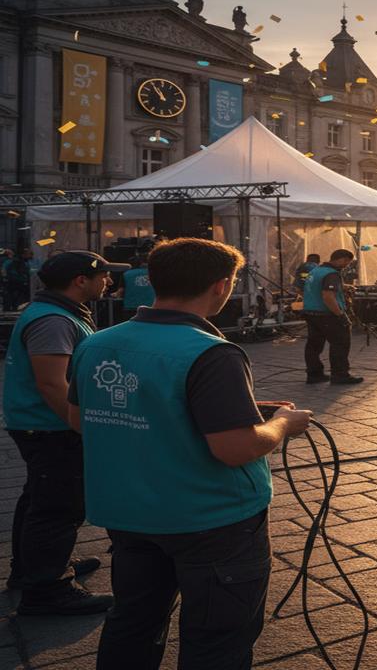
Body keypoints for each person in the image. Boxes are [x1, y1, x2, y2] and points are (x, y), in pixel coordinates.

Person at [68, 238, 312, 669]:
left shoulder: (96, 343)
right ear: (221, 286)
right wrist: (281, 425)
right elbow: (235, 449)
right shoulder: (212, 352)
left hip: (129, 512)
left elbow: (79, 418)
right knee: (216, 640)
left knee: (134, 623)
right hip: (211, 519)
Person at [3, 250, 126, 615]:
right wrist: (82, 427)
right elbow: (53, 384)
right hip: (50, 425)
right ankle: (48, 590)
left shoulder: (56, 313)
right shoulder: (54, 320)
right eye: (103, 275)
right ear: (80, 281)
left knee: (38, 497)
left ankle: (29, 570)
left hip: (39, 423)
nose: (109, 281)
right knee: (59, 506)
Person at [302, 248, 363, 384]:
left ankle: (314, 374)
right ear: (342, 259)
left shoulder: (316, 271)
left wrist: (343, 287)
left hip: (311, 312)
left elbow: (314, 288)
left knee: (314, 345)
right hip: (328, 314)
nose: (346, 266)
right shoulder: (332, 274)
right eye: (347, 263)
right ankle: (340, 375)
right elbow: (328, 296)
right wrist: (340, 315)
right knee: (340, 343)